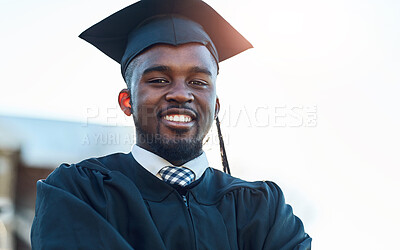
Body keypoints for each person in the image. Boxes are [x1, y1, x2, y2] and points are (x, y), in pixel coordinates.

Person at [31, 0, 312, 249]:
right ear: (127, 102)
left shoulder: (261, 209)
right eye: (159, 80)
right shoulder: (79, 192)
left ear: (214, 107)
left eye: (198, 82)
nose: (181, 93)